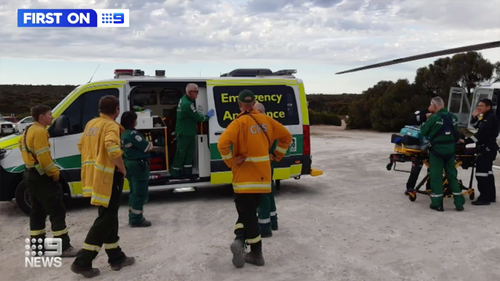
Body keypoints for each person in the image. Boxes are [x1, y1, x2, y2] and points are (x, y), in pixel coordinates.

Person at [217, 89, 292, 268]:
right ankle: (240, 241)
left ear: (240, 104)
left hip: (243, 180)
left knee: (247, 215)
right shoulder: (267, 121)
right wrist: (276, 155)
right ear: (254, 102)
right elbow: (286, 137)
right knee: (248, 214)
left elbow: (222, 144)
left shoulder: (239, 123)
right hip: (262, 179)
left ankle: (256, 253)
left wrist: (231, 162)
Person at [71, 96, 135, 278]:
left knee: (108, 215)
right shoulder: (111, 126)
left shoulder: (91, 124)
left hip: (93, 176)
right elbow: (112, 148)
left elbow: (81, 145)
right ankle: (82, 262)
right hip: (108, 177)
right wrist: (122, 168)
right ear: (116, 110)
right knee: (106, 219)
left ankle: (116, 257)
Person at [19, 104, 79, 257]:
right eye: (50, 114)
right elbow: (44, 159)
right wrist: (55, 173)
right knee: (57, 211)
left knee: (37, 211)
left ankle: (38, 247)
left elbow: (23, 150)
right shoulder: (40, 132)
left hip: (30, 174)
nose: (52, 117)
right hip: (41, 176)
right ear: (42, 117)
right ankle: (64, 247)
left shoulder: (27, 131)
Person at [420, 96, 465, 212]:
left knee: (436, 177)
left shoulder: (434, 118)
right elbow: (456, 133)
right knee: (452, 176)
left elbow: (424, 132)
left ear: (434, 105)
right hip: (450, 151)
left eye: (430, 105)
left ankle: (437, 203)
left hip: (437, 151)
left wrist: (427, 122)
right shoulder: (453, 117)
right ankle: (459, 203)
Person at [170, 83, 215, 180]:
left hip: (188, 132)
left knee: (189, 153)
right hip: (184, 133)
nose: (198, 94)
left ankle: (188, 172)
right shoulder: (187, 104)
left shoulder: (184, 99)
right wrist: (207, 116)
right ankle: (175, 172)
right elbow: (198, 118)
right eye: (196, 92)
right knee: (181, 154)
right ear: (190, 93)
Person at [460, 98, 499, 205]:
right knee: (488, 173)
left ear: (488, 107)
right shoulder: (486, 117)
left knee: (481, 173)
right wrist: (474, 117)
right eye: (478, 106)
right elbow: (476, 126)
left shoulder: (490, 118)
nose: (478, 108)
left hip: (487, 149)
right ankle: (490, 195)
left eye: (481, 106)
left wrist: (466, 141)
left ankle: (484, 198)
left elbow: (481, 135)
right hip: (487, 148)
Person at [120, 111, 153, 227]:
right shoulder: (133, 134)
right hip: (138, 166)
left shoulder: (123, 134)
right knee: (139, 192)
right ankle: (136, 219)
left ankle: (132, 216)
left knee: (134, 191)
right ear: (132, 121)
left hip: (129, 164)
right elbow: (148, 146)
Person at [254, 102, 279, 237]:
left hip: (263, 166)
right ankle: (273, 222)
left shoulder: (266, 125)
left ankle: (264, 228)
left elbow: (283, 140)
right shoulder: (268, 124)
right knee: (268, 193)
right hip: (266, 164)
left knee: (263, 195)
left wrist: (274, 155)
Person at [404, 107, 432, 194]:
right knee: (416, 167)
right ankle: (410, 187)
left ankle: (430, 187)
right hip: (420, 146)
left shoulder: (439, 115)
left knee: (432, 169)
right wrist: (424, 116)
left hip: (432, 146)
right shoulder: (422, 112)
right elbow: (410, 120)